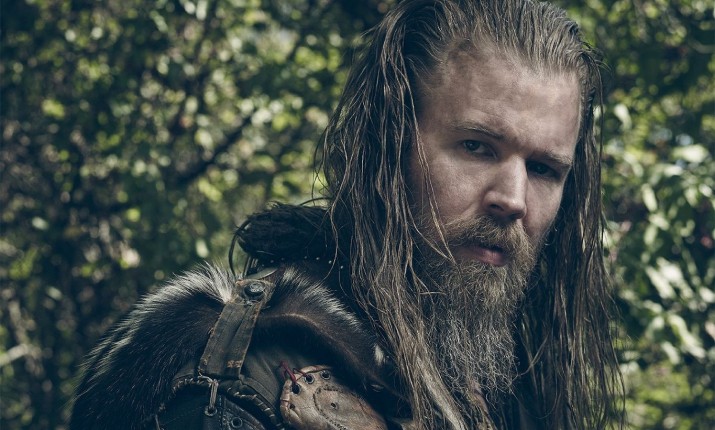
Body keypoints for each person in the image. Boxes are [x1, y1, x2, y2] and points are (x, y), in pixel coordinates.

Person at [70, 0, 623, 429]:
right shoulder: (235, 376)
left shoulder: (512, 387)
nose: (514, 199)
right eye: (476, 147)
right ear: (388, 148)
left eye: (544, 169)